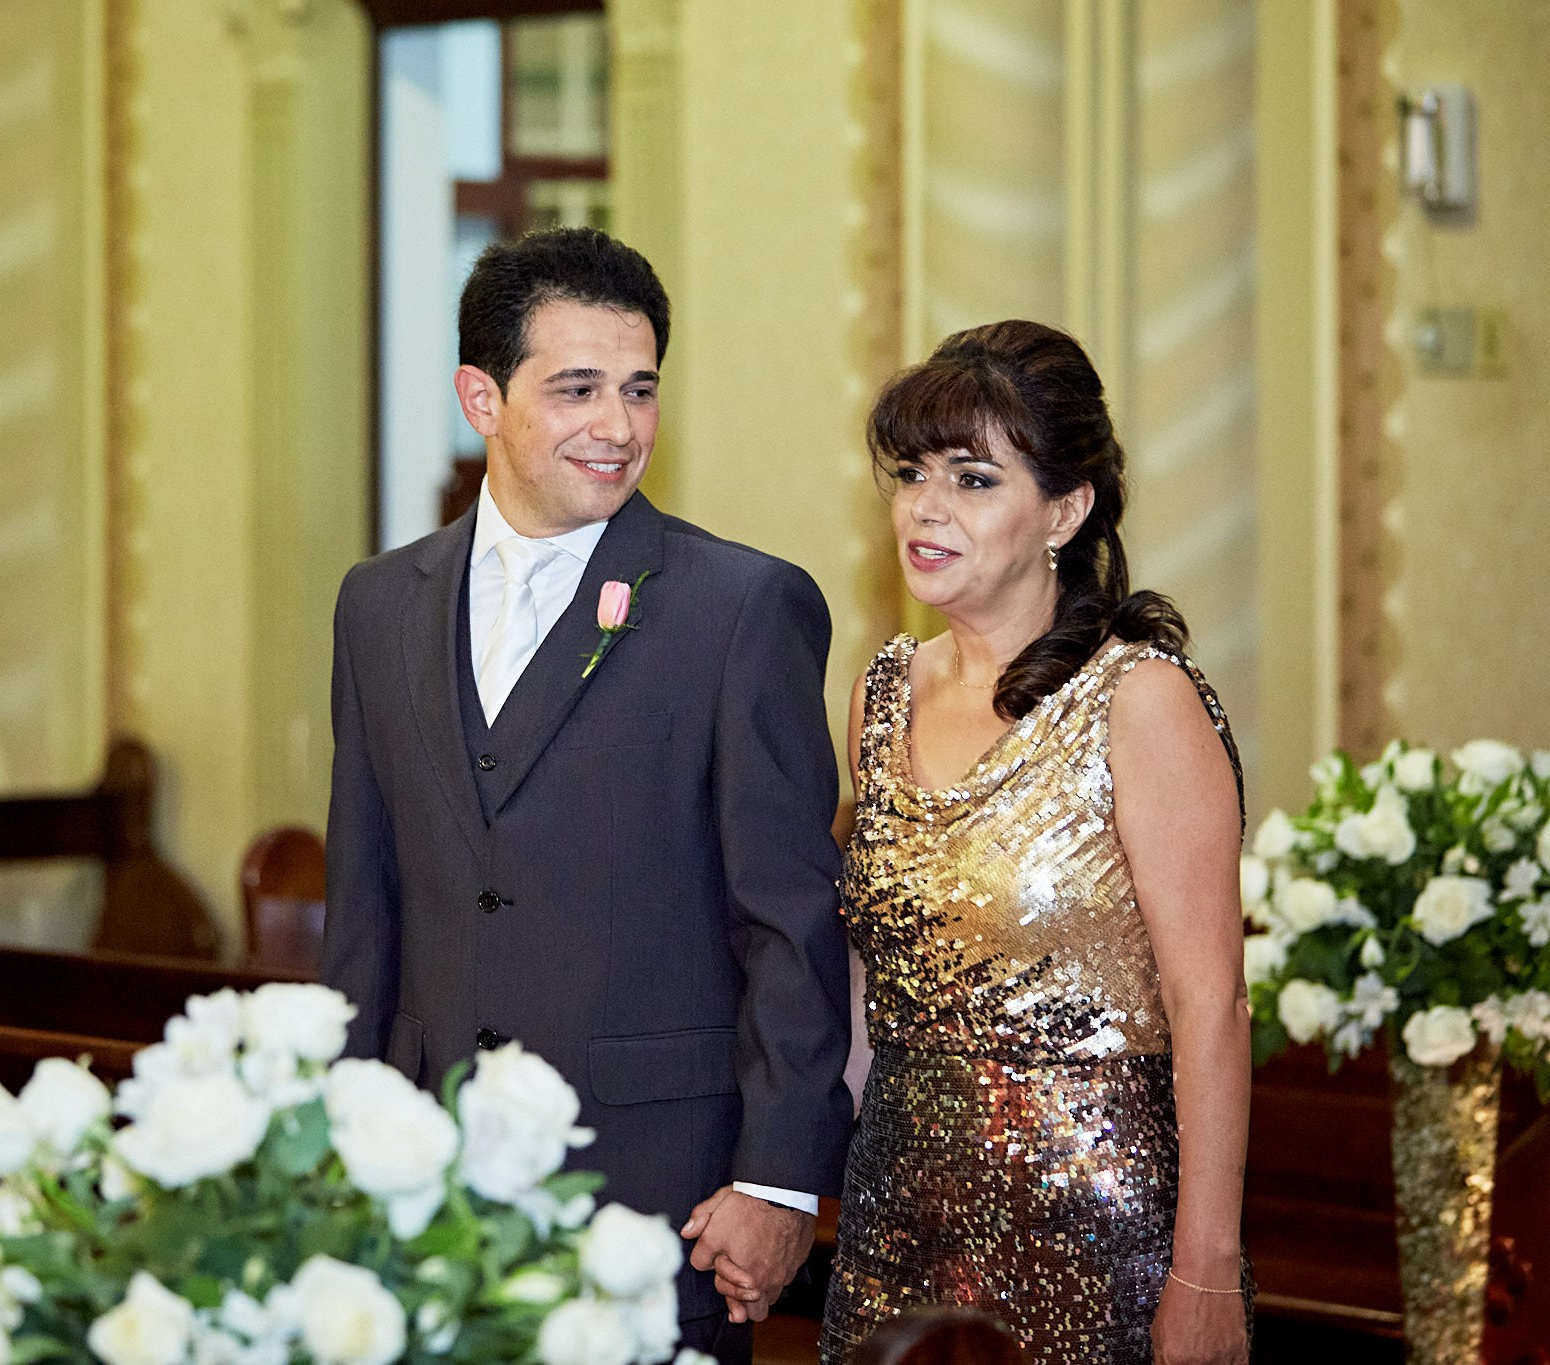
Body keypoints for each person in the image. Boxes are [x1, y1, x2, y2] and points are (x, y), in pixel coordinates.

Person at [322, 228, 854, 1364]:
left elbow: (790, 924)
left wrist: (776, 1180)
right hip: (424, 1197)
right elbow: (363, 914)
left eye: (639, 389)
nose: (616, 427)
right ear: (480, 396)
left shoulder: (739, 608)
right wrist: (342, 1153)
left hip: (654, 1198)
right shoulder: (376, 606)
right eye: (575, 389)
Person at [819, 321, 1252, 1365]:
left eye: (972, 479)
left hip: (1096, 1230)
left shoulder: (1136, 701)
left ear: (1064, 509)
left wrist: (1205, 1269)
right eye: (911, 473)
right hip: (897, 1218)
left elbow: (1211, 1004)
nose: (924, 506)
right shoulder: (878, 692)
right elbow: (871, 979)